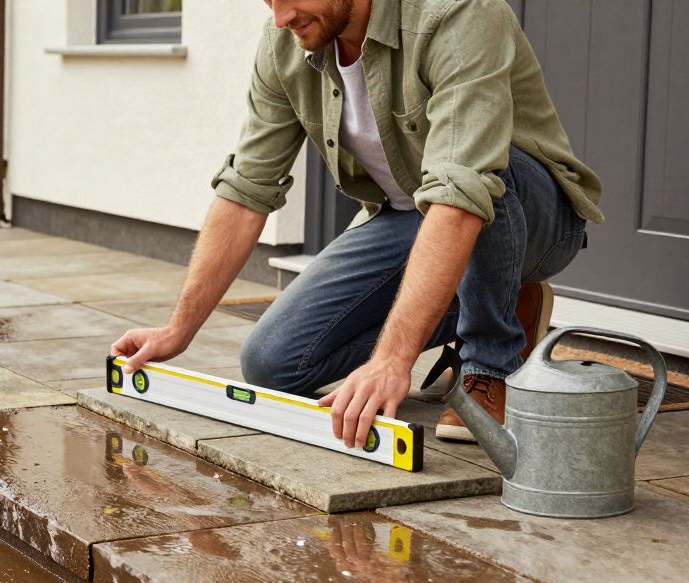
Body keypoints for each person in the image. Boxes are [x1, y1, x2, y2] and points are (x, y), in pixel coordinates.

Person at [110, 0, 603, 447]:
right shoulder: (284, 42)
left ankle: (491, 358)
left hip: (530, 217)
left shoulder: (458, 13)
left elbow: (459, 193)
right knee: (272, 362)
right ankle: (503, 300)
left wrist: (393, 360)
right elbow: (246, 192)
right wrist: (179, 329)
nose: (281, 17)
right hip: (409, 216)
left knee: (482, 172)